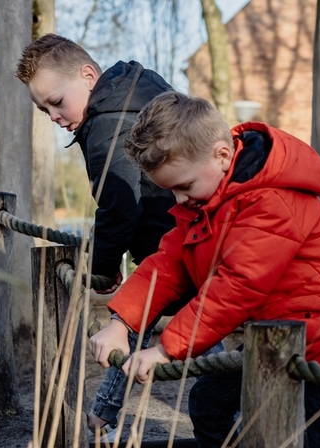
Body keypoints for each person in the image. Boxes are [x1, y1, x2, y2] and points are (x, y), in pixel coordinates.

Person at [89, 91, 320, 447]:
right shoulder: (205, 201)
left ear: (222, 155)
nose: (177, 200)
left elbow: (236, 288)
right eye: (170, 190)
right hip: (279, 341)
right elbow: (169, 262)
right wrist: (121, 322)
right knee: (210, 403)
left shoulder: (270, 201)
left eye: (184, 186)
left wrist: (164, 350)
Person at [15, 34, 223, 441]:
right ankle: (102, 416)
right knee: (139, 328)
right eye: (43, 110)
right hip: (179, 241)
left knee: (195, 335)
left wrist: (103, 269)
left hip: (169, 246)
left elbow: (118, 206)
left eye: (56, 102)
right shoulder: (141, 88)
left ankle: (232, 411)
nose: (53, 115)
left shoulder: (107, 126)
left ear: (88, 76)